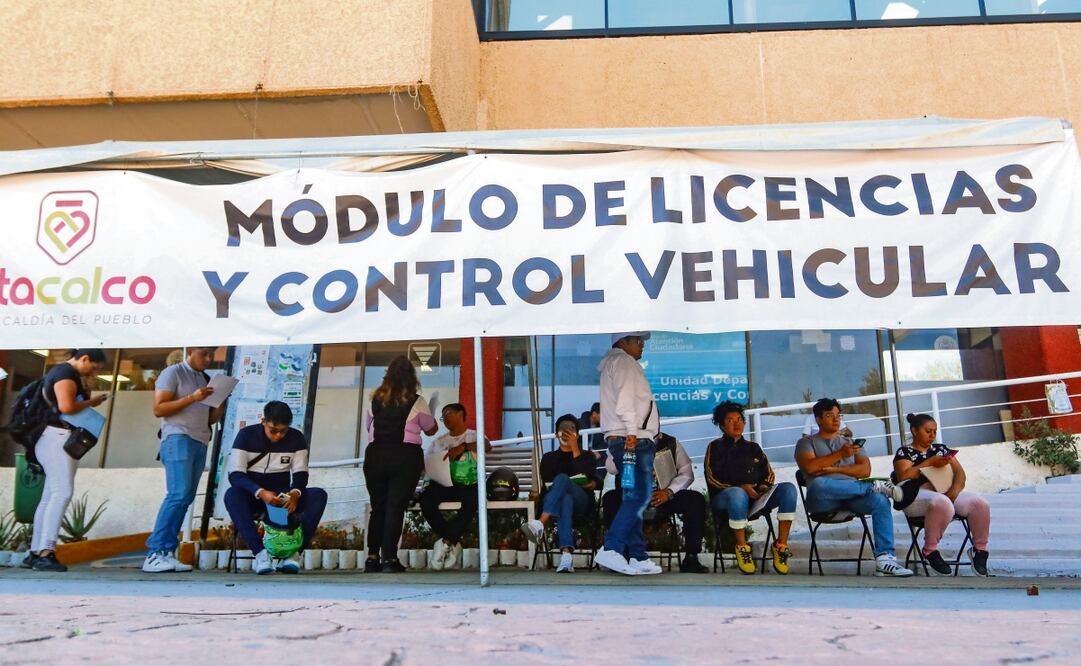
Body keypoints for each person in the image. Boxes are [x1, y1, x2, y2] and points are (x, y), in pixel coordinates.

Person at [795, 397, 913, 577]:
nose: (836, 419)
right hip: (823, 501)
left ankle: (885, 558)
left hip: (852, 498)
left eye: (838, 415)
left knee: (880, 500)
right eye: (830, 415)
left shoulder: (851, 443)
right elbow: (810, 468)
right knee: (818, 483)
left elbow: (865, 470)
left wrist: (831, 469)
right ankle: (872, 486)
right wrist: (840, 455)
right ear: (818, 419)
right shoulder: (806, 443)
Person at [144, 347, 228, 573]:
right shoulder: (173, 372)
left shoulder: (205, 378)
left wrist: (220, 401)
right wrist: (193, 397)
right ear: (190, 350)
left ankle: (166, 552)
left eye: (211, 354)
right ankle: (155, 552)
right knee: (178, 494)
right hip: (178, 437)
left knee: (185, 497)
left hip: (200, 440)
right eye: (204, 353)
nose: (208, 359)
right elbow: (159, 409)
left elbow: (209, 418)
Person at [26, 349, 109, 572]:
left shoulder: (63, 373)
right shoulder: (65, 373)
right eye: (94, 367)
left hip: (53, 438)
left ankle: (35, 551)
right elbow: (67, 407)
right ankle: (46, 552)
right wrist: (92, 402)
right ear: (85, 359)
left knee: (50, 495)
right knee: (62, 492)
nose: (94, 372)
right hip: (58, 438)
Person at [224, 401, 328, 574]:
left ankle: (293, 554)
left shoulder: (296, 438)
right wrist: (260, 492)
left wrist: (295, 494)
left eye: (283, 431)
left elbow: (301, 473)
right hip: (253, 497)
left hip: (281, 501)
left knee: (318, 495)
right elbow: (235, 474)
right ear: (263, 421)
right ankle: (261, 555)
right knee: (232, 495)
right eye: (273, 430)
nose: (278, 436)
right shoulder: (246, 436)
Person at [593, 332, 662, 576]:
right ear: (623, 342)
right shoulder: (623, 361)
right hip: (632, 439)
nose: (642, 344)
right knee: (640, 496)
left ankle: (637, 555)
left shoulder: (613, 363)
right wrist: (632, 432)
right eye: (637, 339)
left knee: (632, 497)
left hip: (625, 438)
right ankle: (612, 548)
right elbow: (625, 402)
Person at [364, 355, 438, 573]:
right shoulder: (417, 401)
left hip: (375, 455)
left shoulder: (374, 399)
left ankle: (372, 558)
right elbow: (431, 429)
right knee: (395, 507)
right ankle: (389, 559)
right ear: (412, 378)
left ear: (387, 376)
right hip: (405, 456)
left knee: (378, 507)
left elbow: (369, 427)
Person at [893, 412, 992, 576]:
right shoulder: (904, 452)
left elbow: (960, 473)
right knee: (942, 502)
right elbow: (903, 475)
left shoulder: (941, 449)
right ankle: (930, 550)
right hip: (916, 495)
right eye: (927, 431)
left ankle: (980, 550)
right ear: (915, 431)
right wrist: (929, 462)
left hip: (945, 490)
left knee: (979, 503)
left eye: (934, 431)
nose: (932, 435)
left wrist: (954, 492)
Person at [705, 401, 797, 575]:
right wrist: (741, 487)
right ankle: (742, 548)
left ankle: (781, 546)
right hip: (725, 500)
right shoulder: (715, 447)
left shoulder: (753, 448)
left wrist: (763, 487)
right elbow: (712, 478)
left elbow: (768, 474)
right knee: (737, 493)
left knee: (788, 489)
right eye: (730, 421)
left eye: (739, 420)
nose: (736, 424)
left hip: (755, 499)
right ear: (722, 426)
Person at [602, 431, 708, 573]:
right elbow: (611, 468)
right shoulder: (623, 440)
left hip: (663, 496)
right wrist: (624, 448)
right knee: (610, 499)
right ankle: (621, 555)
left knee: (695, 500)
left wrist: (669, 492)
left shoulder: (670, 442)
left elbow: (687, 473)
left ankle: (691, 557)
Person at [520, 414, 602, 573]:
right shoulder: (549, 458)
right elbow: (548, 483)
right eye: (563, 430)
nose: (566, 433)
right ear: (556, 434)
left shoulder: (587, 456)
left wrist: (575, 449)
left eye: (571, 430)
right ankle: (566, 556)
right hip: (556, 504)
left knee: (563, 480)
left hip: (582, 503)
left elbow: (589, 476)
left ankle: (541, 522)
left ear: (577, 434)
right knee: (565, 499)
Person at [420, 402, 491, 570]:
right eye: (443, 416)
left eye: (448, 414)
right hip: (443, 484)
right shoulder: (439, 442)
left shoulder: (474, 435)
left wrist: (463, 447)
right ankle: (452, 541)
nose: (445, 419)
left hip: (468, 484)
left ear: (460, 414)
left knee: (473, 501)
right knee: (426, 501)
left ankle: (446, 542)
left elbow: (487, 446)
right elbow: (427, 465)